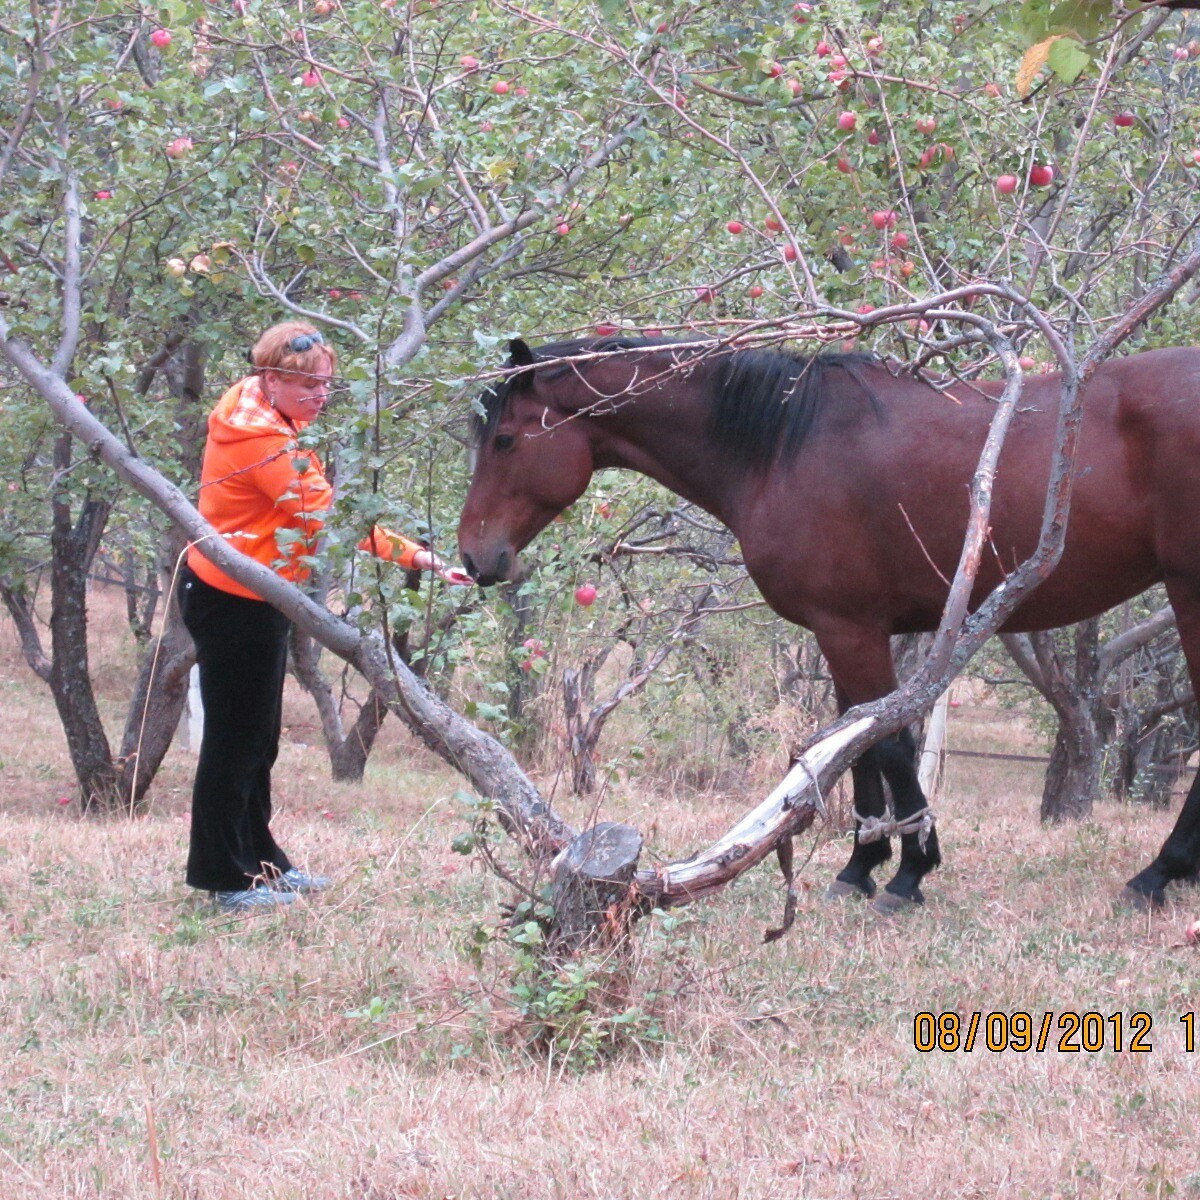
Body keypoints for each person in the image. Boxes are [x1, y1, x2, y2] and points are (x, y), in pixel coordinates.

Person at [179, 321, 470, 912]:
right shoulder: (264, 443)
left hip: (256, 591)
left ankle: (261, 865)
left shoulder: (258, 408)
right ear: (271, 380)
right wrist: (416, 556)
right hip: (232, 598)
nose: (319, 397)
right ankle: (222, 879)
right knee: (236, 742)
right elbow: (330, 520)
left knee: (258, 739)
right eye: (305, 386)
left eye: (326, 386)